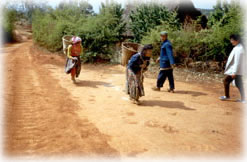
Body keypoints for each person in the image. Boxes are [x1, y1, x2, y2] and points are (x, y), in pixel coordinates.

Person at [219, 34, 245, 103]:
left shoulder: (239, 49)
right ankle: (243, 99)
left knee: (226, 81)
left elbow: (237, 62)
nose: (231, 41)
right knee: (238, 84)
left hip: (235, 70)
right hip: (236, 70)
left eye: (232, 40)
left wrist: (234, 72)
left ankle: (227, 96)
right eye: (231, 40)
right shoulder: (238, 47)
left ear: (237, 40)